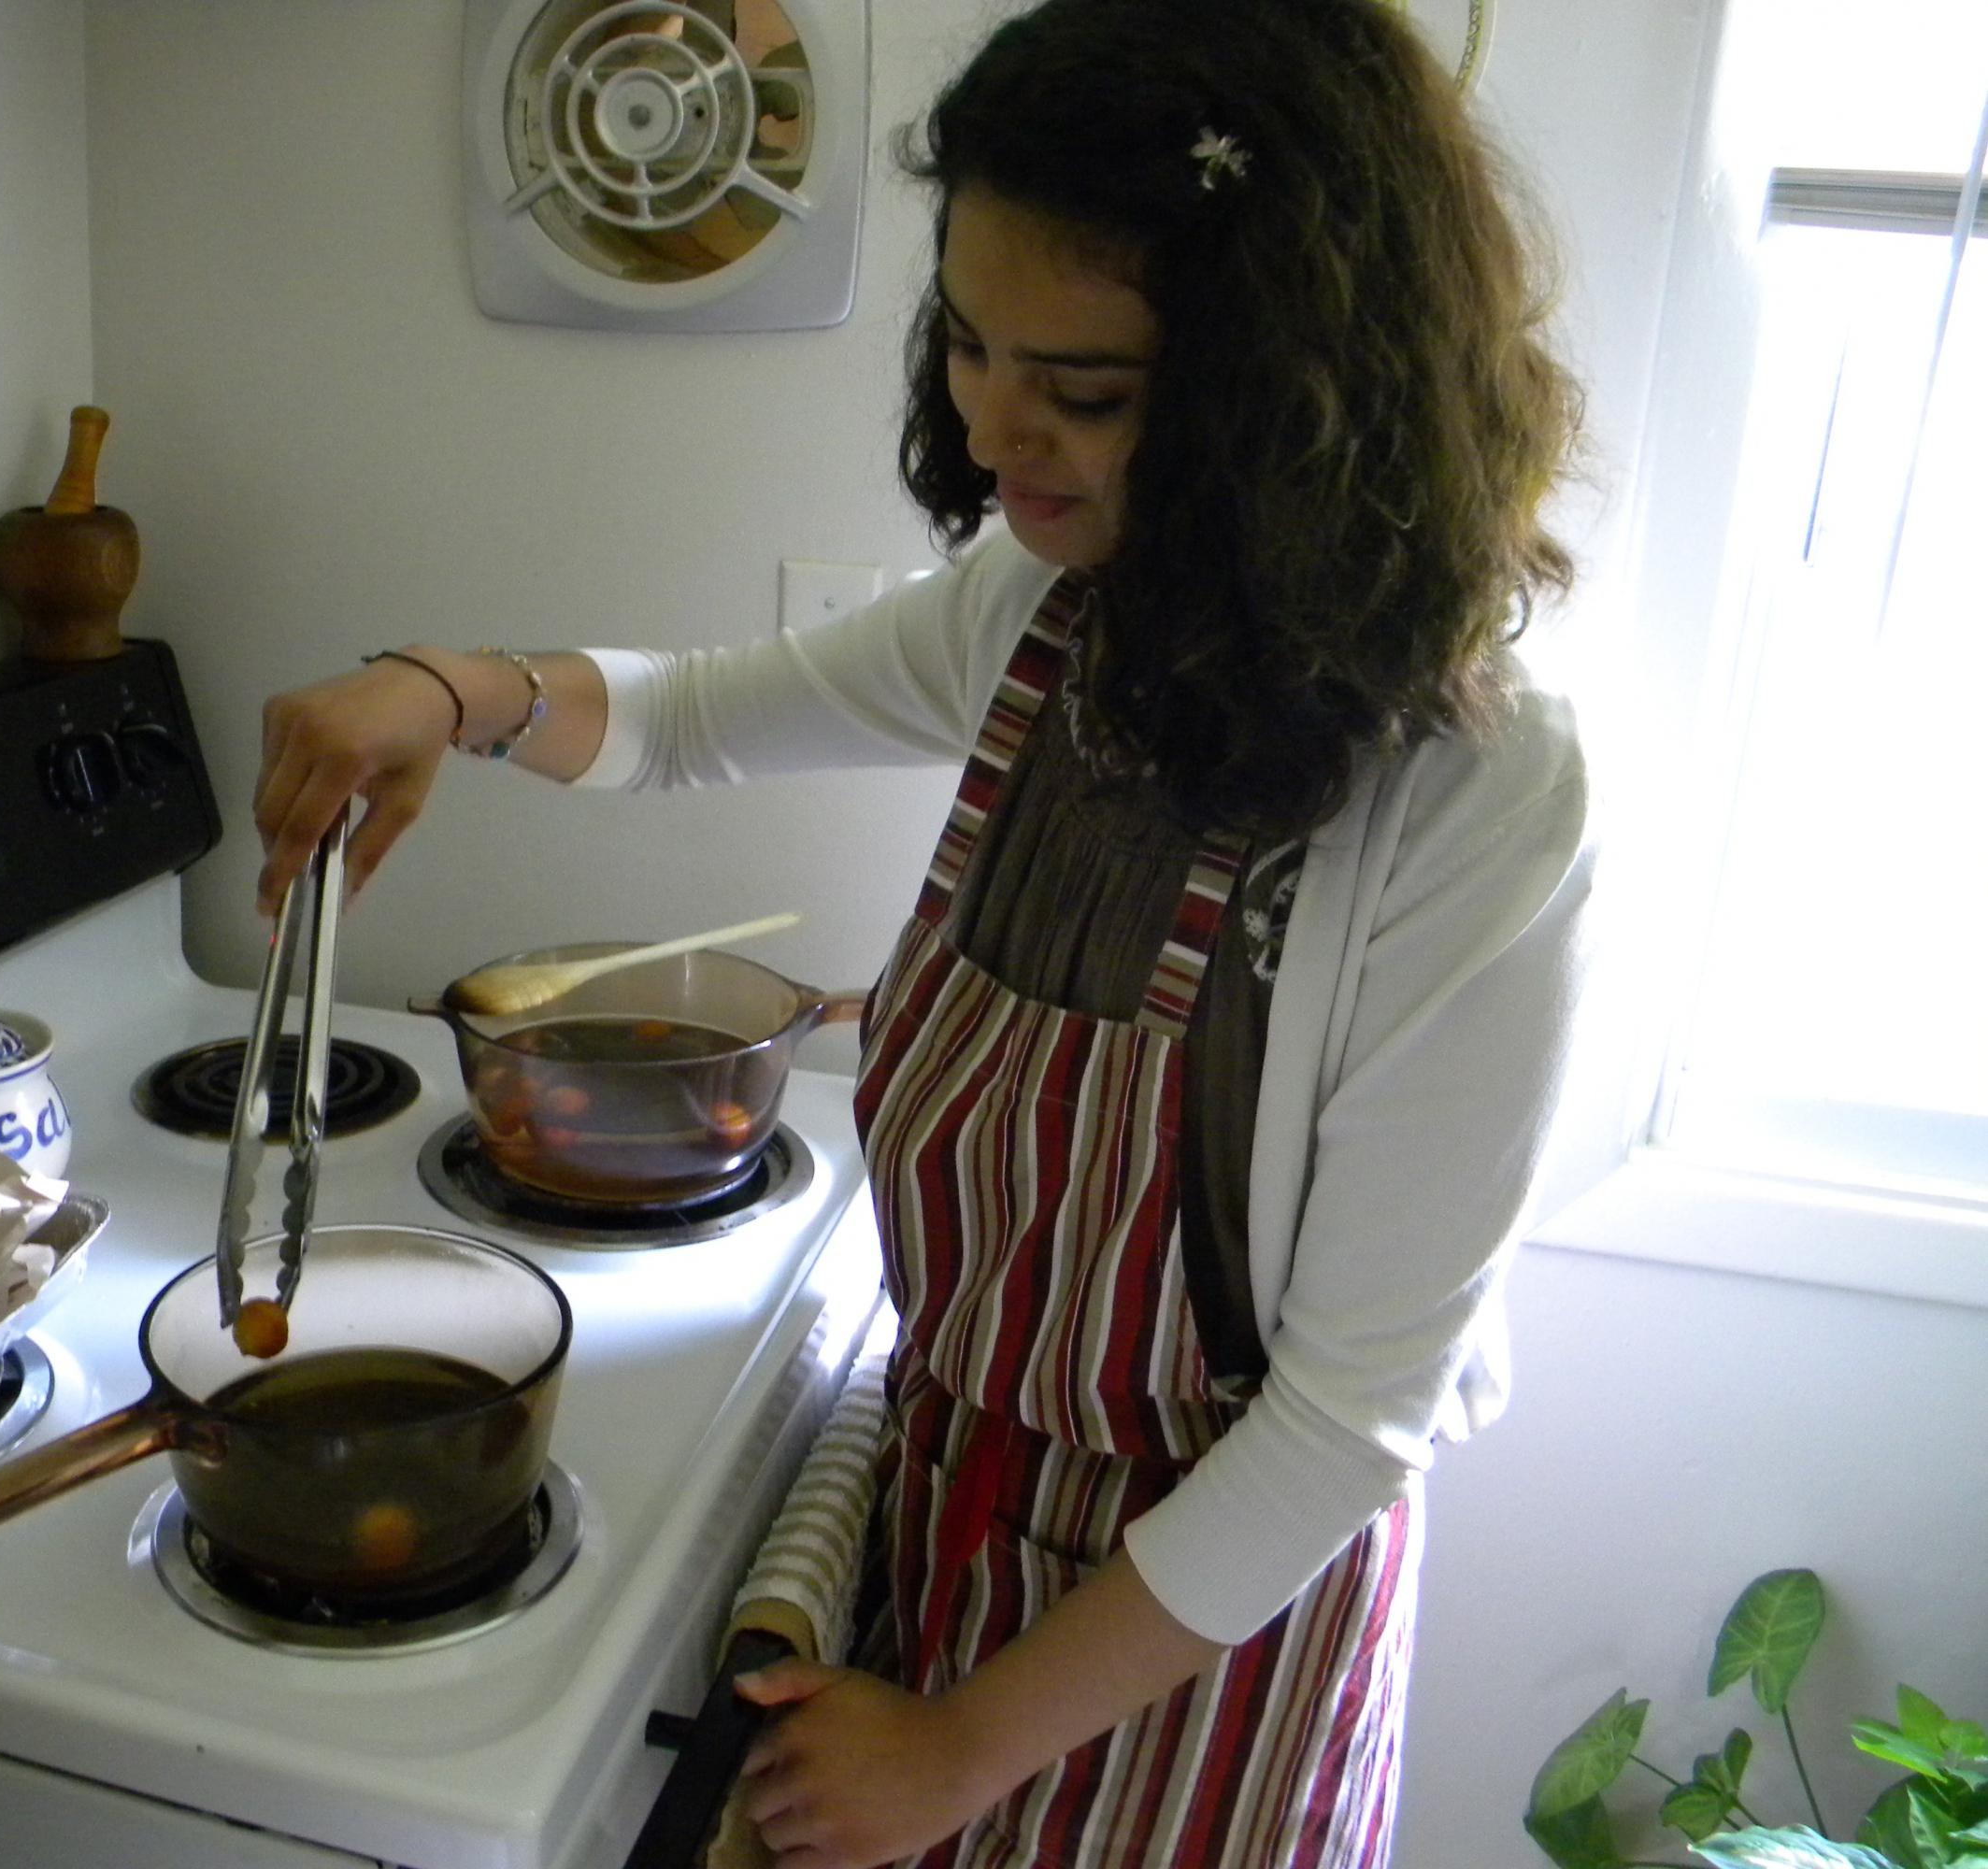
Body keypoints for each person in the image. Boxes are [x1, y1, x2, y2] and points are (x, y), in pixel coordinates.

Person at [251, 0, 1591, 1862]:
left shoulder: (1466, 792)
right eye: (963, 340)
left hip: (1190, 1640)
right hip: (955, 1520)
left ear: (1275, 401)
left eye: (1086, 388)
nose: (989, 421)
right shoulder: (1055, 611)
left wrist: (958, 1749)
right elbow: (701, 713)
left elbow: (1348, 1427)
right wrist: (446, 689)